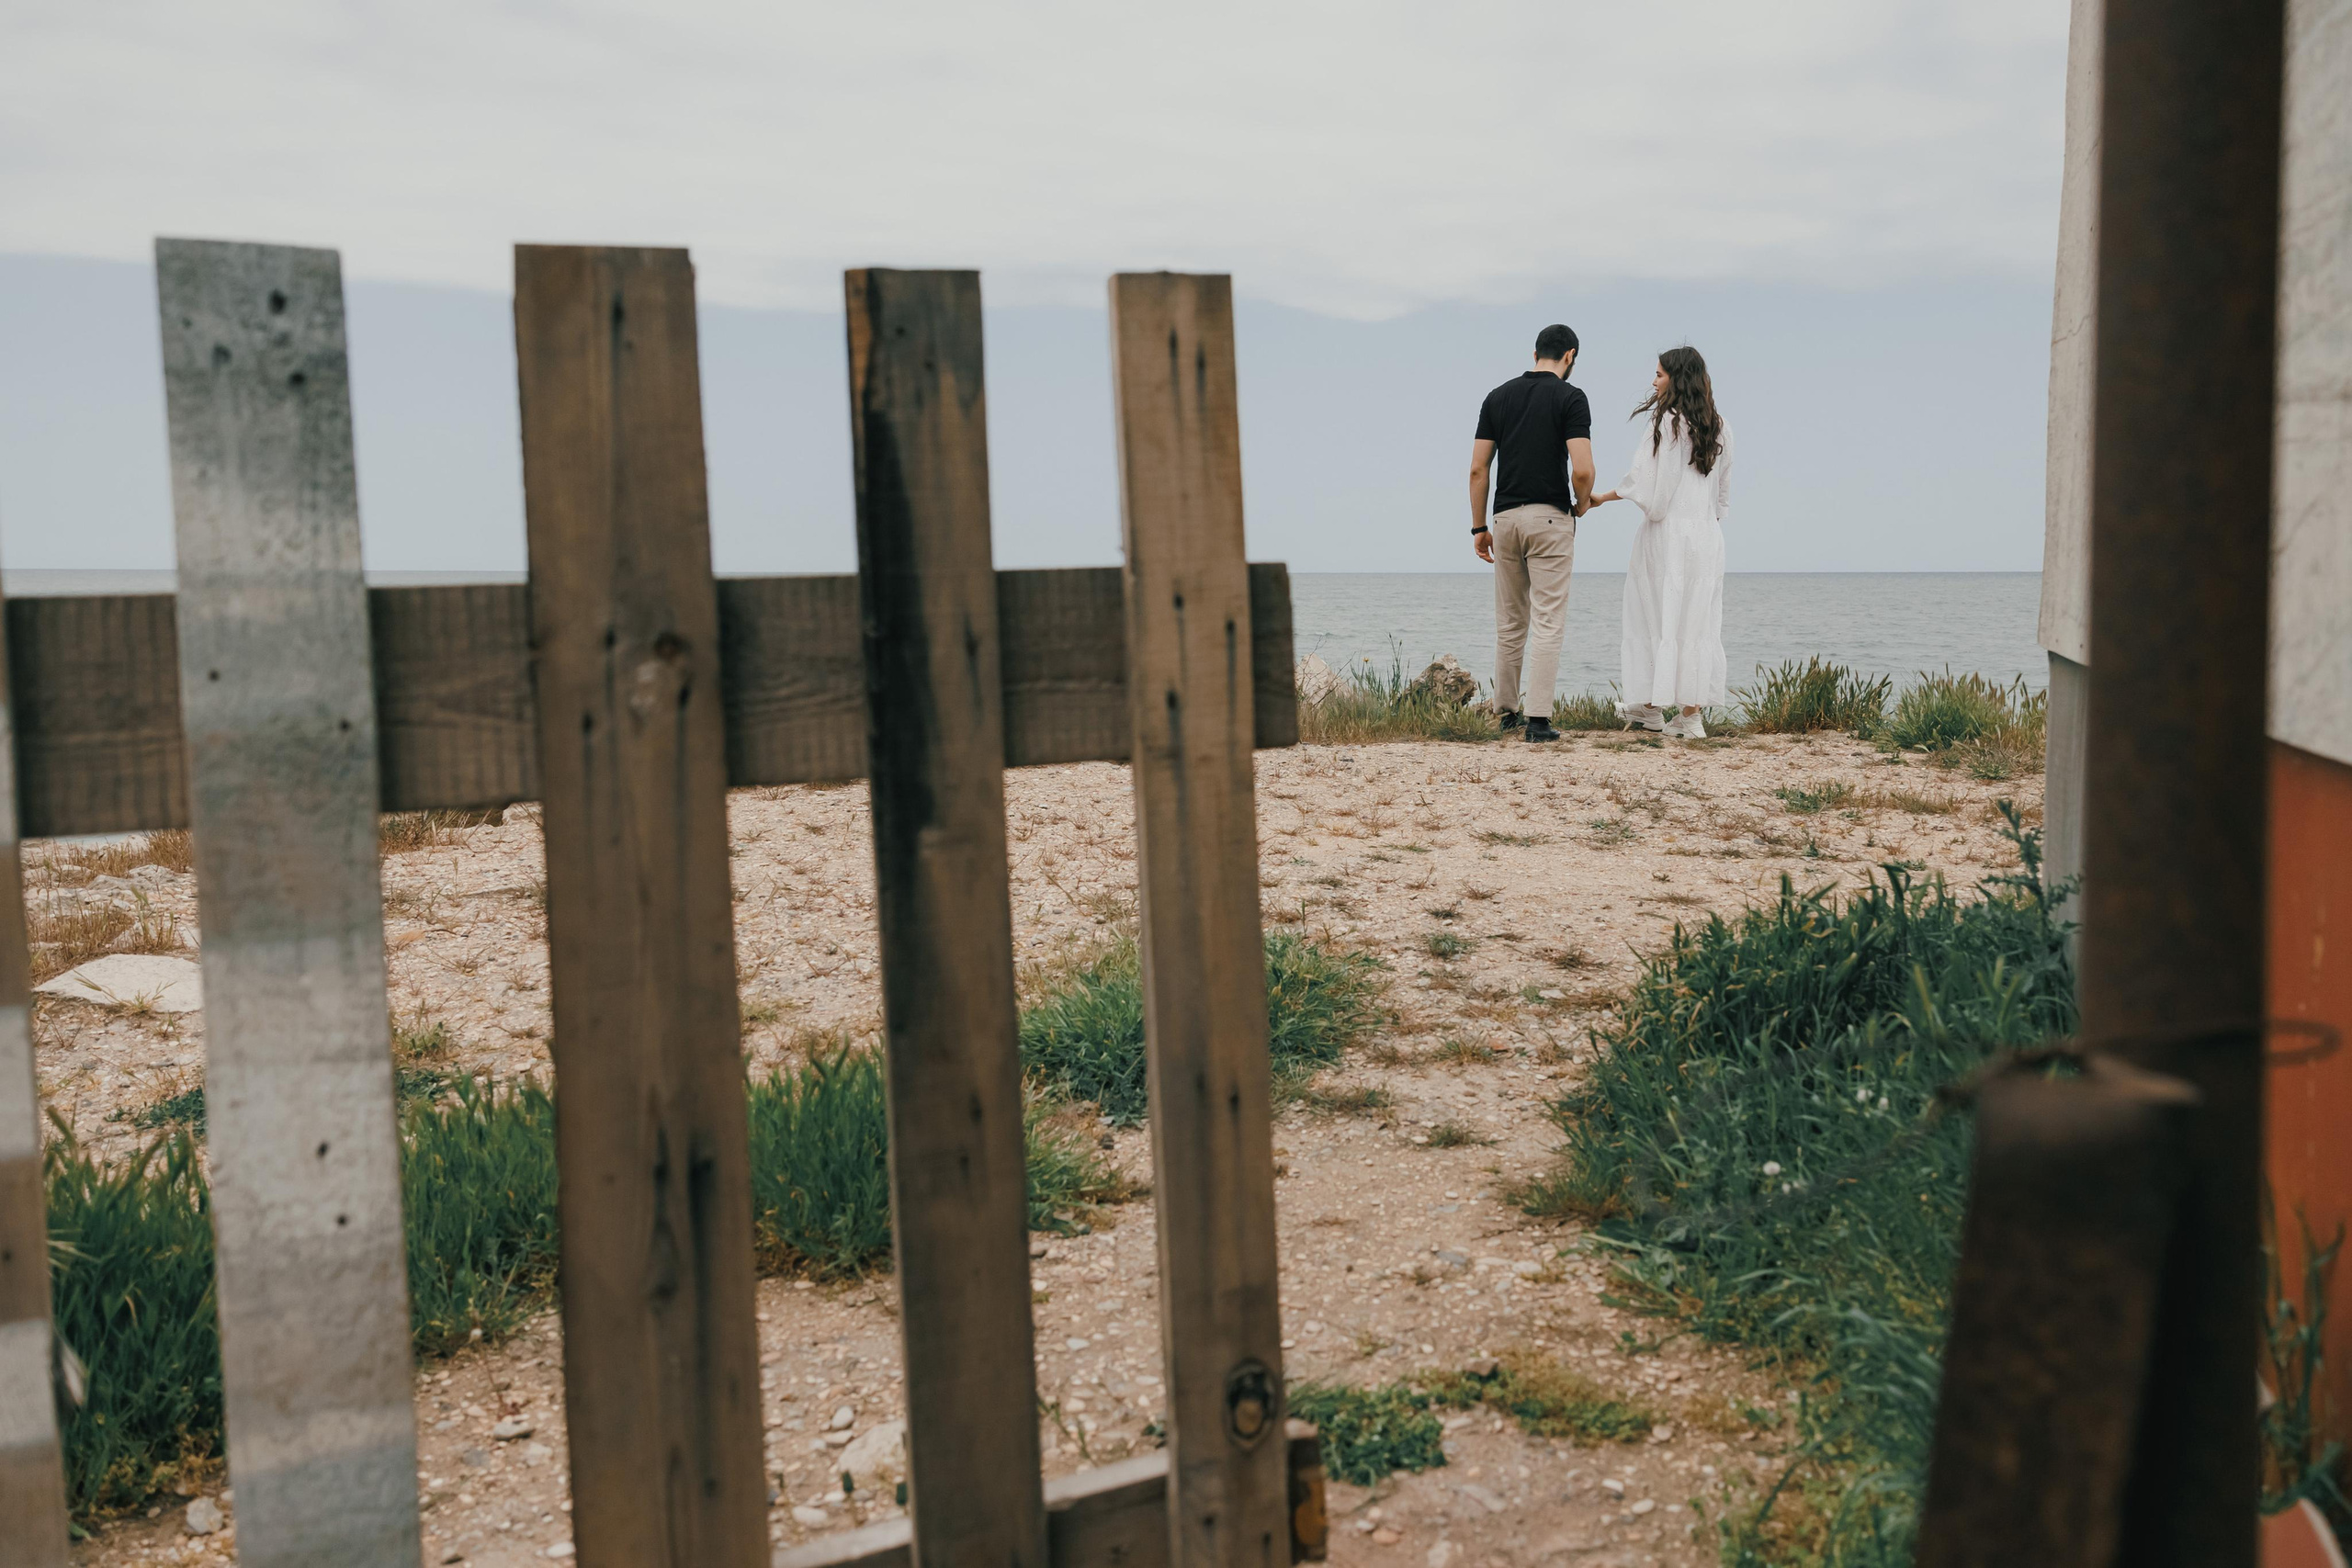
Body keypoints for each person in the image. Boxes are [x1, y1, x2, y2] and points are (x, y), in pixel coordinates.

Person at [1586, 346, 1731, 739]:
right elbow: (1722, 497)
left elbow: (1645, 483)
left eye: (1660, 374)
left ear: (1677, 379)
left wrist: (1602, 497)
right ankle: (1690, 716)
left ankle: (1650, 709)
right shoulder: (1719, 426)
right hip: (1706, 537)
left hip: (1667, 534)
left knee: (1653, 614)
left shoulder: (1666, 421)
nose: (1654, 381)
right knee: (1696, 621)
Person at [1468, 323, 1594, 743]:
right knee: (1548, 620)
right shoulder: (1571, 398)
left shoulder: (1497, 397)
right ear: (1570, 356)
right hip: (1549, 520)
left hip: (1503, 521)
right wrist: (1582, 500)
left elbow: (1478, 469)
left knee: (1510, 622)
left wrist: (1479, 525)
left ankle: (1506, 713)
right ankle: (1539, 722)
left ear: (1535, 352)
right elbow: (1582, 468)